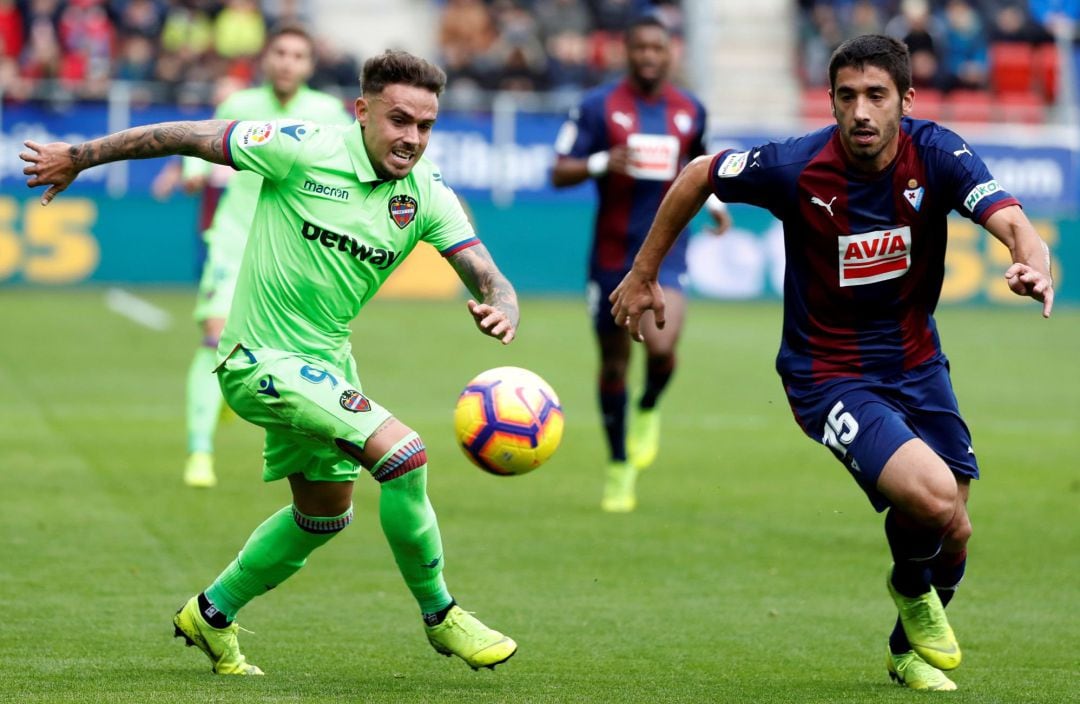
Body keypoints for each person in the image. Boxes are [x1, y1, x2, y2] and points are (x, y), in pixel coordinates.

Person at [22, 49, 521, 675]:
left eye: (425, 126)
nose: (412, 139)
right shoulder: (301, 147)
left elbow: (486, 272)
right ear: (362, 111)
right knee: (404, 455)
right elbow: (186, 135)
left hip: (326, 366)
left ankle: (209, 615)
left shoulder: (426, 193)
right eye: (399, 121)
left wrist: (502, 305)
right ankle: (442, 616)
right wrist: (80, 156)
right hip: (256, 359)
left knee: (323, 515)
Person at [610, 35, 1053, 692]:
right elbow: (699, 173)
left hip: (917, 362)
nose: (861, 112)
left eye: (877, 95)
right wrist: (644, 273)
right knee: (932, 500)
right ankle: (910, 589)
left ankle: (908, 650)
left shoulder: (938, 153)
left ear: (906, 98)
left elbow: (1013, 220)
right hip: (828, 373)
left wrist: (1032, 264)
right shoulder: (796, 166)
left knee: (955, 525)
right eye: (847, 96)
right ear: (831, 101)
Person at [550, 15, 730, 513]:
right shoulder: (597, 107)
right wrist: (603, 161)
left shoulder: (689, 109)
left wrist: (714, 205)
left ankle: (648, 404)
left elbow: (700, 165)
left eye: (658, 47)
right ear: (626, 52)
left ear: (671, 52)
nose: (650, 56)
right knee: (612, 362)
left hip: (668, 251)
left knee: (662, 343)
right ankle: (618, 466)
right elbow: (558, 171)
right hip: (611, 255)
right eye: (640, 48)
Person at [172, 24, 352, 489]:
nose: (288, 62)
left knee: (293, 352)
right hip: (233, 239)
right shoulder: (239, 106)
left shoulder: (328, 113)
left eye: (298, 55)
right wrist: (192, 172)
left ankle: (311, 460)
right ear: (266, 58)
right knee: (213, 337)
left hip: (292, 251)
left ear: (309, 65)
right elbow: (200, 148)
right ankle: (199, 452)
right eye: (280, 53)